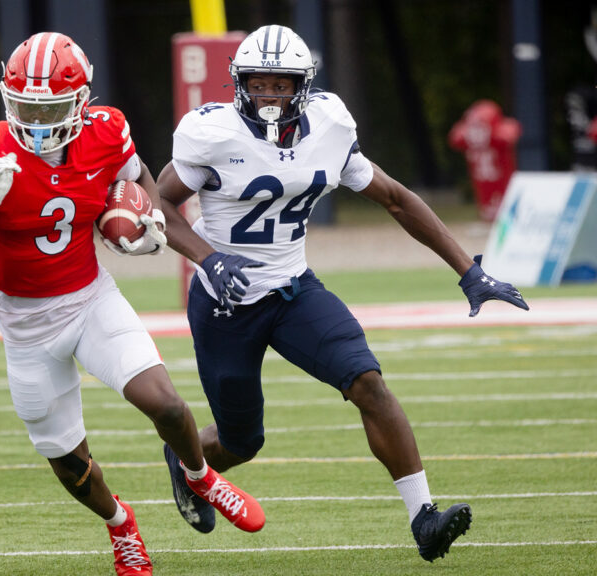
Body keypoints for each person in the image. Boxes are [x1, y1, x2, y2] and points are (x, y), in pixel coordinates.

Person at [156, 25, 530, 562]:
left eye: (279, 85)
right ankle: (185, 457)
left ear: (300, 87)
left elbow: (396, 199)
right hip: (226, 301)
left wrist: (467, 269)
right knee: (241, 441)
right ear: (238, 84)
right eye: (257, 83)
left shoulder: (328, 127)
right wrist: (209, 258)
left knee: (369, 383)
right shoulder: (211, 133)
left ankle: (424, 517)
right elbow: (160, 206)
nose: (267, 95)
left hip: (293, 290)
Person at [0, 32, 263, 576]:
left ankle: (201, 476)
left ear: (82, 102)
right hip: (25, 322)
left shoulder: (106, 131)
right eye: (26, 108)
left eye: (53, 108)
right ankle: (120, 524)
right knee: (67, 459)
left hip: (89, 299)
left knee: (169, 407)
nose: (38, 123)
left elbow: (140, 180)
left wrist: (147, 220)